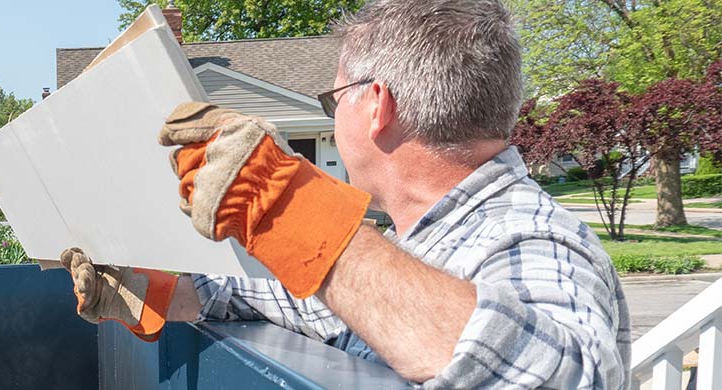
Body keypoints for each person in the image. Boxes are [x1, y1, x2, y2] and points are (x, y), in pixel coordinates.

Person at [59, 0, 630, 388]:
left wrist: (290, 211)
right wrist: (140, 287)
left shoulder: (533, 236)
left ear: (377, 104)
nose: (334, 124)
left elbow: (564, 376)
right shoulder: (411, 244)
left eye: (335, 103)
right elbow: (253, 294)